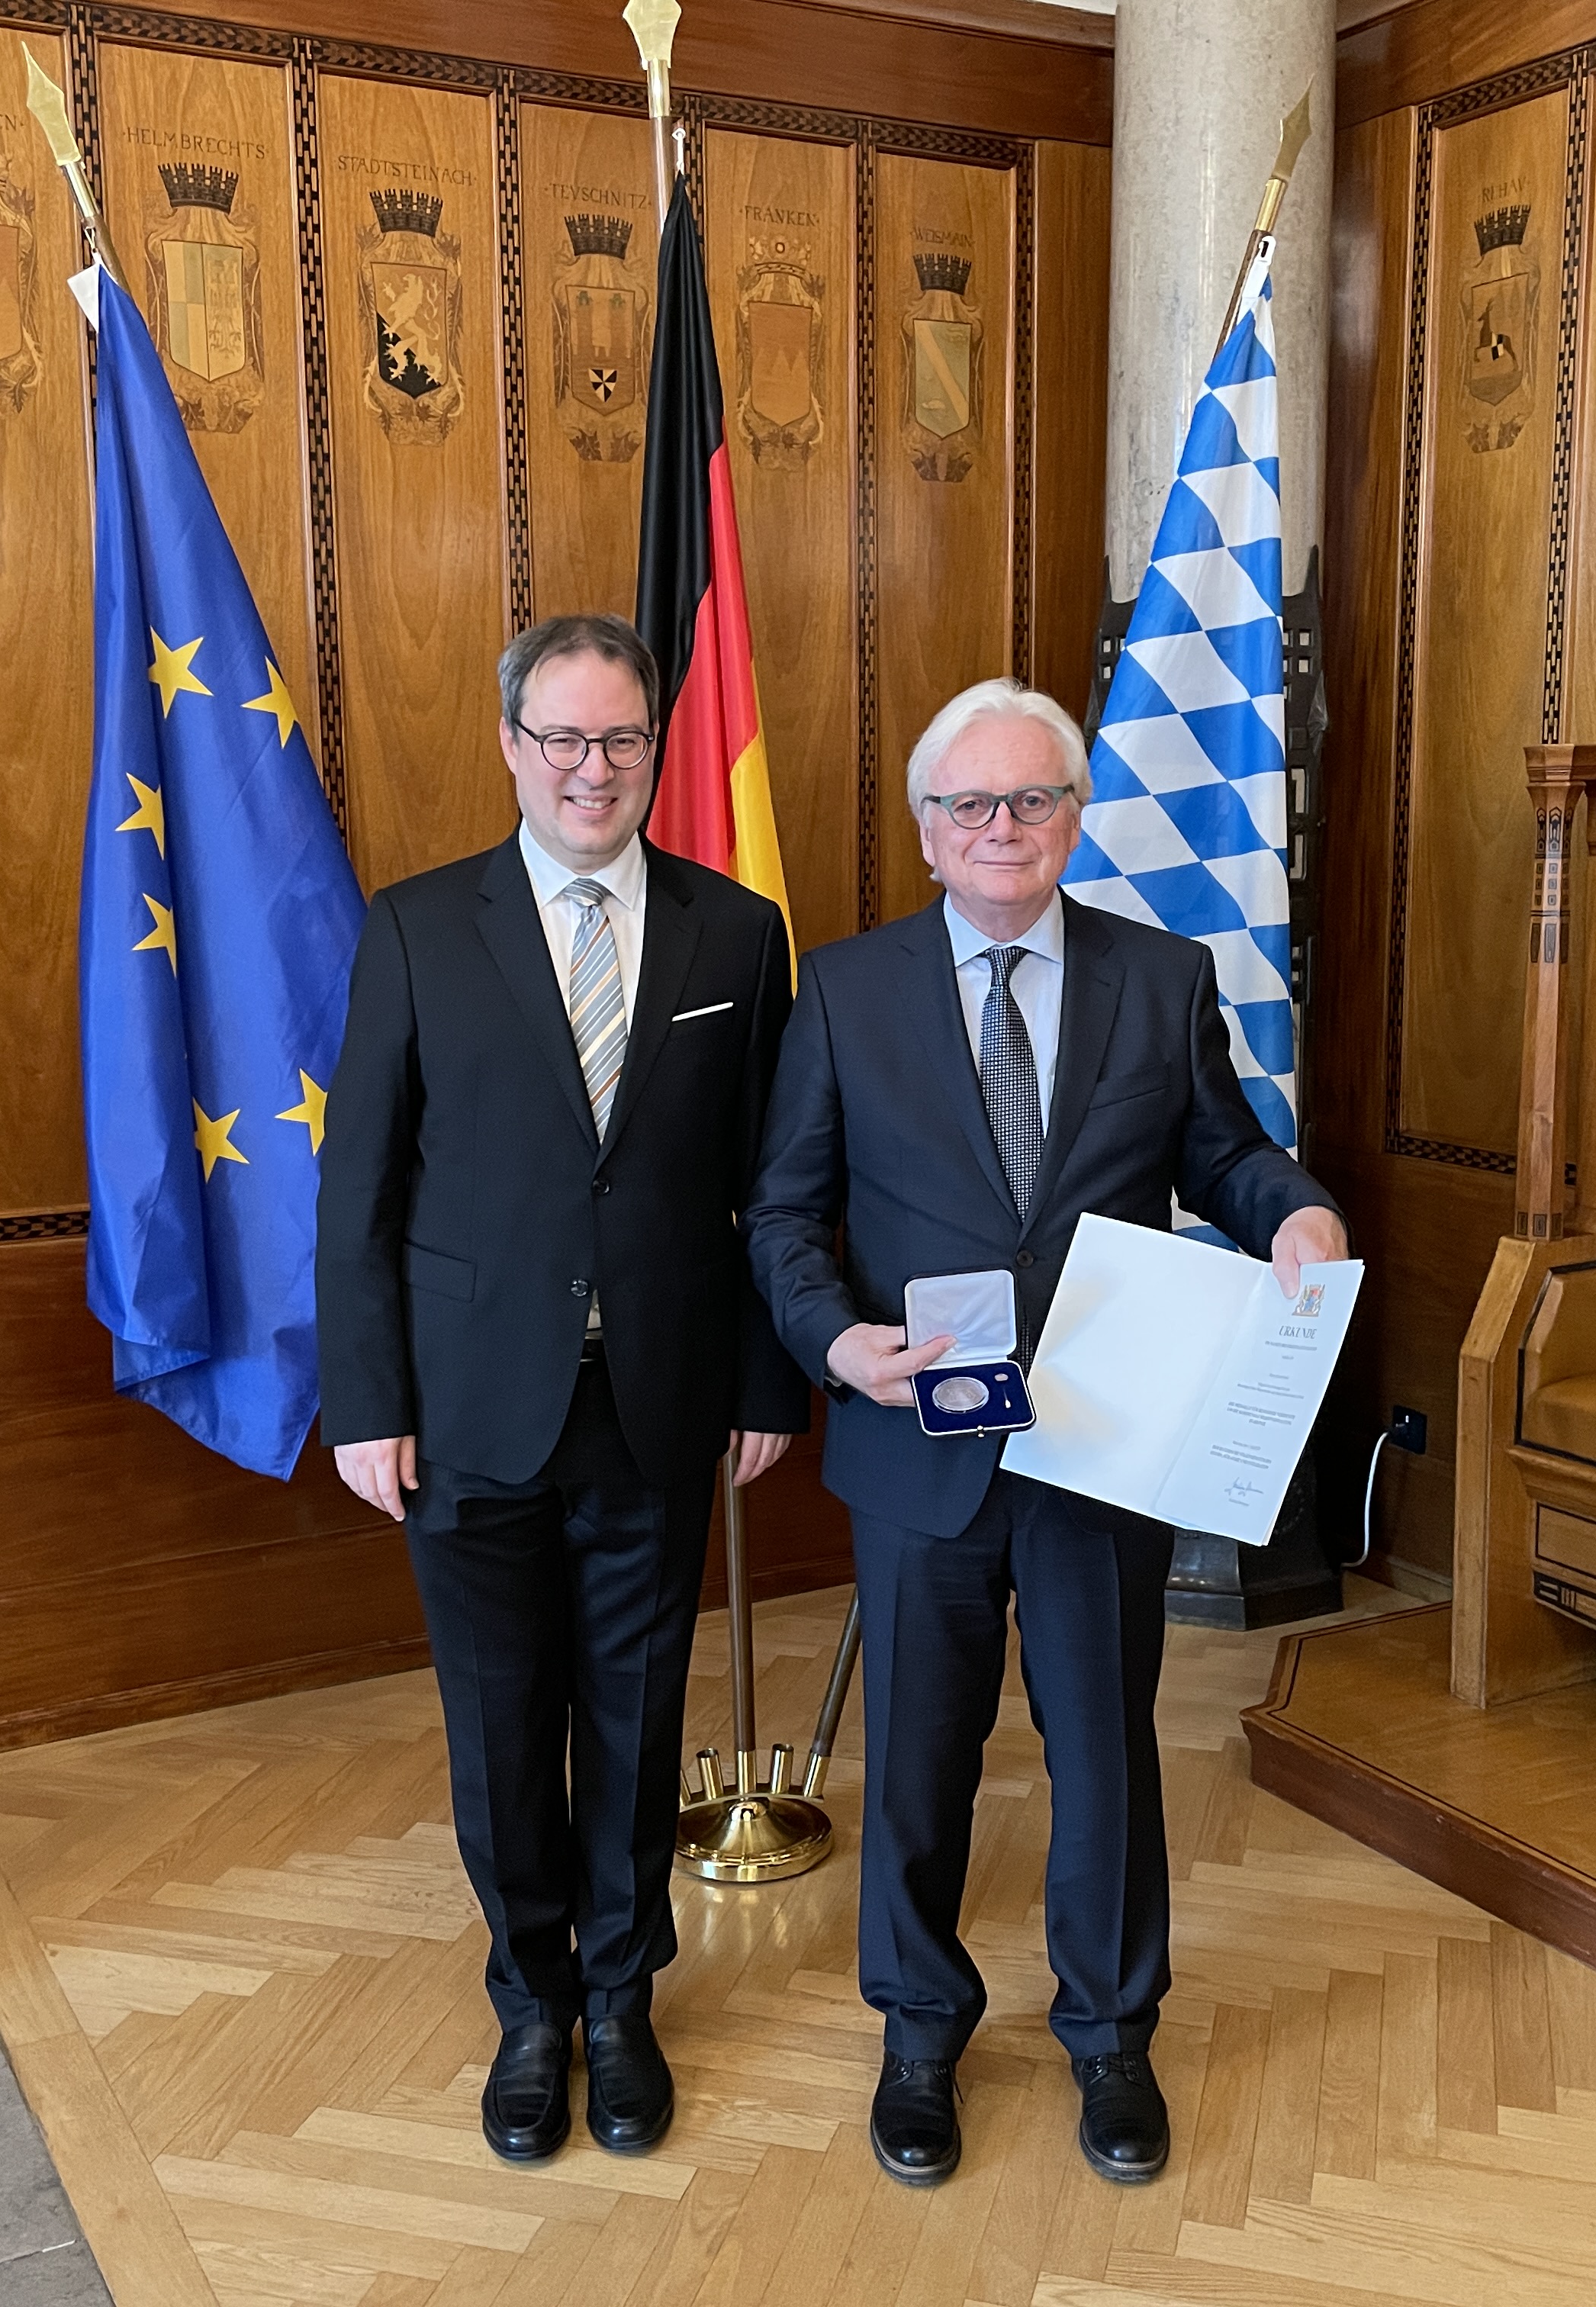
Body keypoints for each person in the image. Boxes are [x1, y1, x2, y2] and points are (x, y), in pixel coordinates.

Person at [746, 677, 1350, 2190]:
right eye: (970, 804)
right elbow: (783, 1213)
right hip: (918, 1446)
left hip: (1102, 1441)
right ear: (927, 830)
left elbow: (1225, 1153)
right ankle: (919, 2034)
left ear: (1074, 819)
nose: (1000, 826)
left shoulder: (1161, 978)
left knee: (1103, 1753)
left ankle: (1111, 2035)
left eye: (1031, 800)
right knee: (919, 1761)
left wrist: (1296, 1211)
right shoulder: (846, 991)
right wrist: (836, 1343)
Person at [318, 612, 806, 2164]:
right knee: (501, 1724)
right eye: (565, 738)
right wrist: (367, 1400)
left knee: (638, 1719)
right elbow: (359, 1189)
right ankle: (530, 2006)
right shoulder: (416, 927)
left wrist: (767, 1378)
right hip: (468, 1409)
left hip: (658, 1402)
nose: (595, 769)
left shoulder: (738, 936)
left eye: (623, 739)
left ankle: (621, 1999)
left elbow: (772, 1187)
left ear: (657, 746)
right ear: (513, 747)